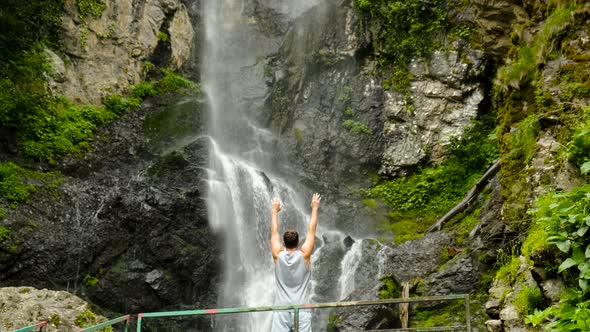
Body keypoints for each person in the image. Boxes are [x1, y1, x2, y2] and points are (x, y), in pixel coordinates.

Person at [270, 193, 321, 332]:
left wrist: (274, 211)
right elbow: (312, 231)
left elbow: (274, 233)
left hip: (281, 310)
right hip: (302, 309)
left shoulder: (277, 255)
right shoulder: (305, 256)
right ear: (299, 243)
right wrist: (315, 208)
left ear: (283, 243)